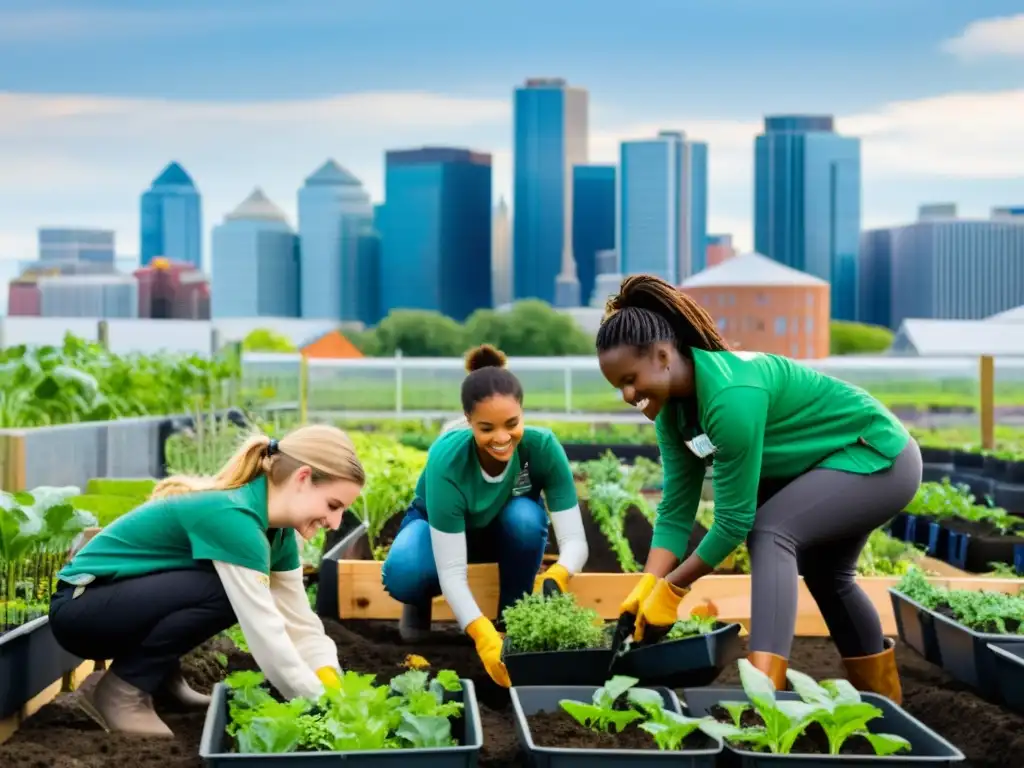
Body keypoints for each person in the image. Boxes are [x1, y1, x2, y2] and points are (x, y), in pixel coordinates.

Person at [595, 274, 921, 704]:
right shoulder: (673, 415)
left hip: (876, 454)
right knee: (828, 576)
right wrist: (647, 584)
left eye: (631, 379)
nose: (627, 394)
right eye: (618, 385)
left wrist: (673, 588)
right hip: (823, 465)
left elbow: (732, 522)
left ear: (662, 355)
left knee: (770, 531)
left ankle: (764, 696)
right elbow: (675, 510)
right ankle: (884, 702)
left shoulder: (729, 396)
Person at [48, 424, 365, 737]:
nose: (334, 522)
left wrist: (331, 679)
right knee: (224, 592)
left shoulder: (278, 535)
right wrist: (319, 703)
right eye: (333, 505)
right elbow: (266, 633)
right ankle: (123, 689)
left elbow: (301, 623)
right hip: (82, 608)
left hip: (117, 605)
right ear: (303, 478)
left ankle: (160, 682)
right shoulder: (234, 518)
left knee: (218, 587)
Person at [381, 344, 589, 688]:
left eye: (512, 423)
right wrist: (481, 635)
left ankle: (510, 618)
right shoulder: (447, 458)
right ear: (468, 423)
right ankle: (419, 609)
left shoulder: (542, 448)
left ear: (523, 412)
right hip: (440, 531)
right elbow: (452, 572)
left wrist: (560, 574)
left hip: (501, 531)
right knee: (405, 572)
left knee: (524, 517)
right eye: (486, 428)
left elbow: (574, 541)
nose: (502, 438)